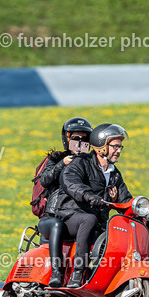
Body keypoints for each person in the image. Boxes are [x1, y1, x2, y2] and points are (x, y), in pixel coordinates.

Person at [54, 123, 133, 289]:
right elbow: (71, 183)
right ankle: (77, 273)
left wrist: (142, 216)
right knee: (88, 219)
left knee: (118, 230)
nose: (118, 150)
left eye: (120, 147)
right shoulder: (80, 163)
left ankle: (106, 277)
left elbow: (125, 199)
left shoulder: (114, 174)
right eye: (115, 146)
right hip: (69, 215)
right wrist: (88, 195)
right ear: (101, 147)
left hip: (96, 219)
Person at [38, 117, 93, 287]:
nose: (80, 142)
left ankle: (84, 273)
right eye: (76, 138)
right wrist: (62, 163)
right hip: (52, 216)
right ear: (67, 139)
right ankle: (57, 272)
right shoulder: (56, 159)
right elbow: (45, 180)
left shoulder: (91, 163)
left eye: (84, 138)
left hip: (75, 216)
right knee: (56, 225)